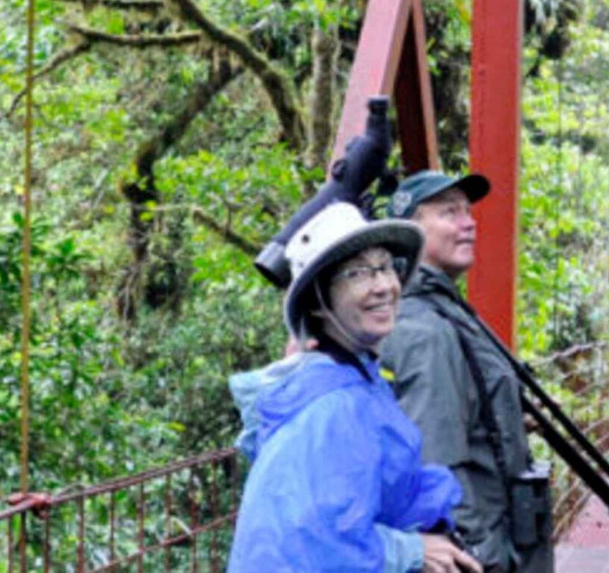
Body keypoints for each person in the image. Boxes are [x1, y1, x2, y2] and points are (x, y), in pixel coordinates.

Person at [227, 201, 483, 573]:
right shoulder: (329, 406)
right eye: (358, 273)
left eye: (385, 267)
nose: (383, 287)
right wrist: (411, 551)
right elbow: (311, 543)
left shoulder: (359, 379)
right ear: (318, 302)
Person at [379, 172, 555, 573]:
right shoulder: (425, 329)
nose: (469, 222)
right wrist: (481, 555)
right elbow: (435, 463)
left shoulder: (446, 309)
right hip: (482, 550)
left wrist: (510, 415)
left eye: (468, 211)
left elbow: (458, 408)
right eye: (449, 212)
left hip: (494, 535)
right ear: (410, 233)